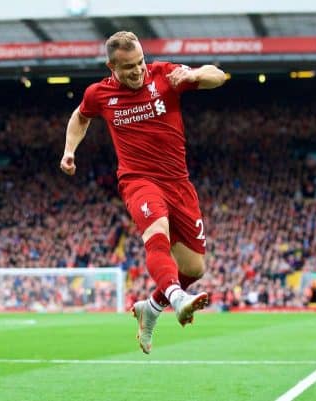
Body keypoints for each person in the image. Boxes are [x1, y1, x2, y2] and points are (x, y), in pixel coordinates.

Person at [60, 31, 226, 354]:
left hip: (178, 183)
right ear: (111, 66)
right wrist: (69, 151)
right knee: (157, 231)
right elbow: (80, 117)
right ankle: (177, 299)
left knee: (194, 268)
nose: (137, 72)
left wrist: (192, 74)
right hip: (138, 181)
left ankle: (150, 307)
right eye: (128, 68)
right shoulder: (99, 94)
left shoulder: (164, 75)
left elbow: (217, 76)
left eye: (140, 63)